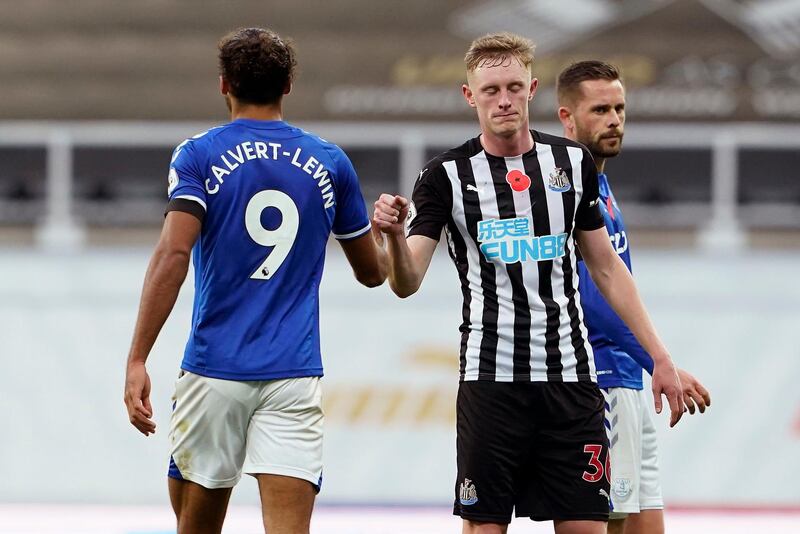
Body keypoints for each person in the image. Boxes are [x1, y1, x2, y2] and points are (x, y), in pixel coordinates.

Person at [373, 32, 684, 534]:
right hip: (491, 382)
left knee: (589, 525)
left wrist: (661, 359)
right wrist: (389, 236)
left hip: (572, 382)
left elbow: (607, 268)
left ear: (532, 89)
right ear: (469, 95)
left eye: (514, 87)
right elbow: (406, 281)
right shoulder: (444, 176)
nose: (503, 100)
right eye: (491, 89)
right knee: (484, 526)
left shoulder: (571, 164)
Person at [122, 27, 387, 534]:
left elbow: (174, 253)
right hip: (293, 371)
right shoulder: (331, 162)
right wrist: (390, 235)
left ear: (224, 85)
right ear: (288, 86)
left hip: (214, 368)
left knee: (196, 527)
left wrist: (138, 357)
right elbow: (372, 274)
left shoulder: (197, 155)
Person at [556, 60, 712, 534]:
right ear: (567, 117)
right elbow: (593, 301)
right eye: (600, 109)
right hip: (599, 383)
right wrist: (658, 362)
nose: (614, 120)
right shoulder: (564, 190)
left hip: (629, 385)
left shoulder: (598, 185)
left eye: (620, 108)